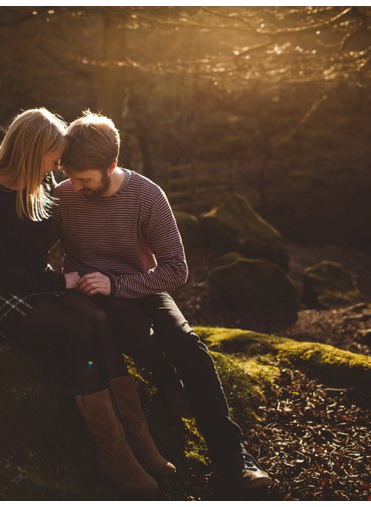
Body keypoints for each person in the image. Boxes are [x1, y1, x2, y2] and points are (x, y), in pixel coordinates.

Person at [52, 111, 274, 494]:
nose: (76, 186)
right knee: (136, 332)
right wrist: (65, 281)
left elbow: (176, 270)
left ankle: (234, 460)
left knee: (188, 344)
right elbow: (32, 253)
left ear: (112, 165)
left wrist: (116, 284)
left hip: (143, 287)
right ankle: (167, 377)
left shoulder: (146, 195)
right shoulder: (63, 195)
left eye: (85, 179)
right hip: (87, 295)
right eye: (71, 176)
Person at [0, 108, 174, 498]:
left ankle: (139, 439)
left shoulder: (42, 185)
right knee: (77, 330)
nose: (58, 167)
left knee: (97, 319)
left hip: (37, 282)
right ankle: (113, 454)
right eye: (54, 158)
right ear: (30, 150)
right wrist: (62, 280)